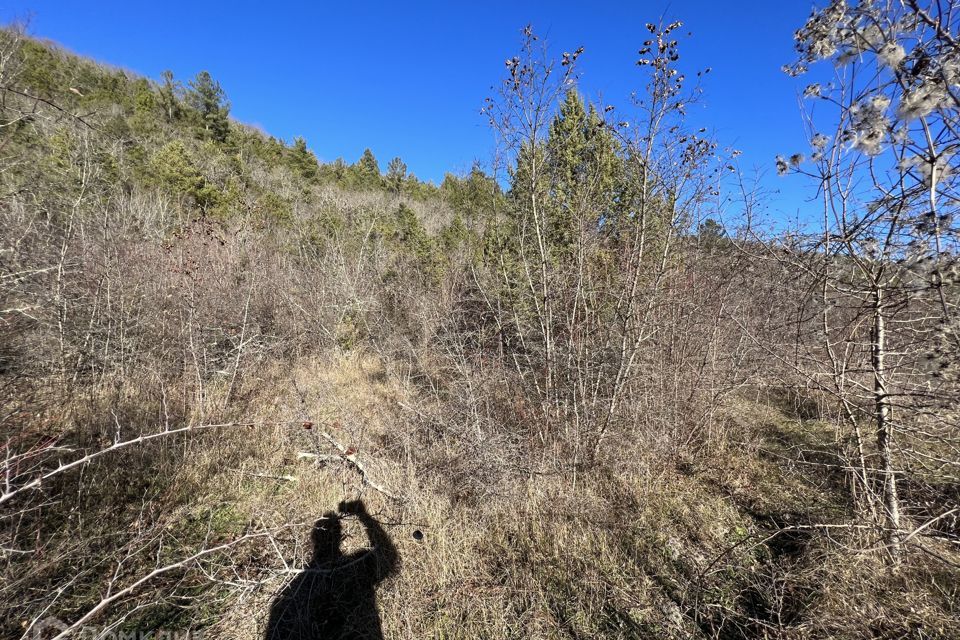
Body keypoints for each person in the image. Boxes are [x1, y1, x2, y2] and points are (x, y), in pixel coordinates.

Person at [265, 499, 398, 640]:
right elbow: (389, 558)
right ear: (342, 537)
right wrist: (363, 515)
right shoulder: (355, 568)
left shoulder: (288, 597)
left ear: (313, 541)